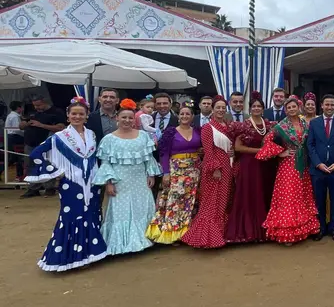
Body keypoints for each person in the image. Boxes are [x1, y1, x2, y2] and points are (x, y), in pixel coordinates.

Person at [25, 97, 107, 272]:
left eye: (81, 114)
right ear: (68, 116)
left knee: (91, 213)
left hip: (92, 182)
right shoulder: (59, 137)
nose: (77, 117)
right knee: (72, 216)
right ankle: (69, 256)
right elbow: (36, 154)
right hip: (71, 183)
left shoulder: (91, 134)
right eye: (74, 114)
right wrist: (55, 171)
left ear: (86, 117)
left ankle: (89, 253)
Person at [94, 99, 160, 255]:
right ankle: (121, 243)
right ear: (117, 118)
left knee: (142, 207)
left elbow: (148, 157)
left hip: (140, 179)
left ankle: (145, 238)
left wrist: (151, 173)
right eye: (124, 117)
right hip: (120, 181)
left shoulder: (143, 136)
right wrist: (109, 183)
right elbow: (106, 163)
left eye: (130, 118)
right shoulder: (108, 139)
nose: (127, 120)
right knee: (120, 211)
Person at [257, 96, 319, 245]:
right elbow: (265, 140)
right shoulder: (281, 126)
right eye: (288, 107)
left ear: (299, 108)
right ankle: (287, 233)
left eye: (294, 107)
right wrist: (280, 152)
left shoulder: (305, 123)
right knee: (289, 197)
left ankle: (303, 230)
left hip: (303, 164)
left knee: (302, 196)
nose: (291, 109)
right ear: (285, 110)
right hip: (288, 166)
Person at [181, 95, 234, 249]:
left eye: (223, 108)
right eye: (218, 107)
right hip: (214, 169)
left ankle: (218, 235)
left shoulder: (227, 126)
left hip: (227, 167)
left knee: (223, 201)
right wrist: (214, 168)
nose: (220, 110)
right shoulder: (207, 128)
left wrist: (232, 153)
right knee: (211, 202)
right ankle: (205, 238)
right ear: (212, 109)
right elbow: (209, 151)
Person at [146, 103, 203, 244]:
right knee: (175, 201)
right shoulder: (171, 132)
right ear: (178, 116)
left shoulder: (198, 131)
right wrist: (166, 173)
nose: (184, 116)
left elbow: (202, 149)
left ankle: (188, 232)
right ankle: (172, 232)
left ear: (192, 117)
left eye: (187, 114)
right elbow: (164, 154)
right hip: (176, 171)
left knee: (191, 201)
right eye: (182, 114)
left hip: (194, 170)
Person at [225, 91, 277, 243]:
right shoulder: (244, 125)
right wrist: (260, 151)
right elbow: (238, 147)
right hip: (250, 166)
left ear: (263, 108)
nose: (256, 108)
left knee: (264, 194)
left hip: (266, 166)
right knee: (250, 196)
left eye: (259, 106)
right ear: (250, 108)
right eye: (253, 106)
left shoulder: (268, 124)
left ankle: (264, 230)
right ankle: (249, 231)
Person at [307, 94, 334, 241]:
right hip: (318, 169)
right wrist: (318, 163)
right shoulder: (314, 123)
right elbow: (310, 145)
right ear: (322, 106)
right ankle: (321, 228)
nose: (330, 107)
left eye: (332, 105)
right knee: (319, 200)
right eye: (327, 105)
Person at [20, 95, 66, 198]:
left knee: (48, 164)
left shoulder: (56, 112)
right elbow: (21, 125)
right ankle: (33, 188)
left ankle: (49, 188)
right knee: (30, 165)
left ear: (45, 102)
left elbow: (61, 127)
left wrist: (41, 125)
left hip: (46, 144)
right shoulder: (31, 111)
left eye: (39, 105)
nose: (37, 108)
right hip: (30, 143)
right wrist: (24, 124)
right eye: (35, 105)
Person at [4, 100, 24, 181]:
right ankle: (19, 176)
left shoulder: (11, 115)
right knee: (17, 157)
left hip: (11, 137)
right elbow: (17, 129)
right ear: (18, 108)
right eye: (21, 107)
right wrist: (26, 133)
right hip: (15, 138)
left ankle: (19, 175)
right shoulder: (15, 117)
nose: (22, 109)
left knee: (13, 158)